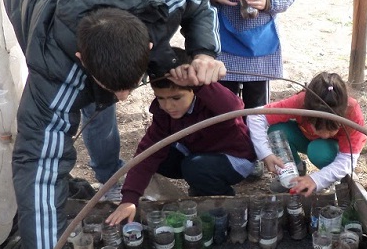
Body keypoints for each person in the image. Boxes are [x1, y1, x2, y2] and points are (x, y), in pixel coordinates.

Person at [1, 0, 226, 249]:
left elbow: (201, 2)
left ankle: (118, 82)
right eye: (113, 88)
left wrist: (203, 52)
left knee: (104, 93)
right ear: (80, 58)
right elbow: (40, 160)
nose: (124, 98)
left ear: (149, 37)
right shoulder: (54, 67)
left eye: (133, 81)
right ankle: (103, 149)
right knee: (81, 105)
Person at [106, 49, 256, 225]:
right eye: (161, 98)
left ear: (193, 90)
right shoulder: (163, 114)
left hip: (234, 158)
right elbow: (146, 153)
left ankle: (222, 202)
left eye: (176, 97)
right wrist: (129, 199)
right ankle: (201, 182)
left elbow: (235, 109)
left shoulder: (210, 101)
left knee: (194, 167)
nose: (168, 105)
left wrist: (199, 83)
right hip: (198, 154)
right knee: (158, 156)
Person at [182, 0, 296, 109]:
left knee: (257, 109)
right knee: (221, 104)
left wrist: (267, 1)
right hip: (221, 44)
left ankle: (253, 134)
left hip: (258, 50)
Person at [246, 72, 366, 196]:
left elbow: (347, 159)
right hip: (305, 137)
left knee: (318, 150)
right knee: (277, 131)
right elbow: (256, 116)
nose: (324, 135)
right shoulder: (300, 102)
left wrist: (317, 179)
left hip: (329, 149)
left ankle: (332, 178)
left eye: (331, 129)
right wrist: (265, 154)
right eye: (318, 128)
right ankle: (294, 171)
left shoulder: (352, 112)